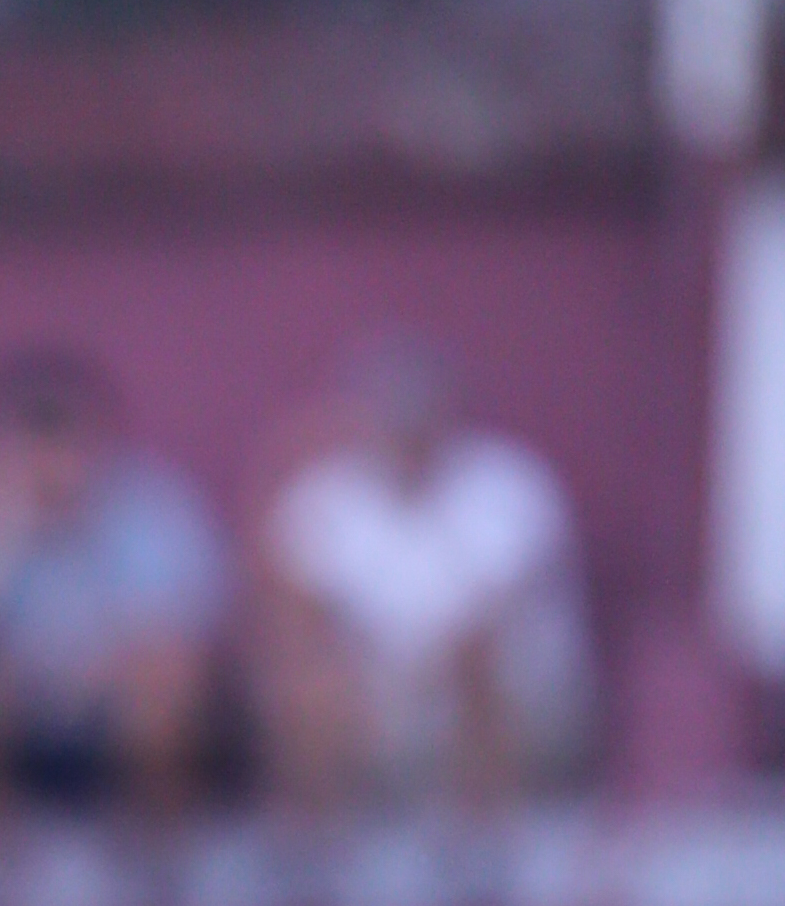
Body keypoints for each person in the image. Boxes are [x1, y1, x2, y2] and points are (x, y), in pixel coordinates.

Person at [0, 347, 230, 814]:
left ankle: (159, 858)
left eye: (65, 439)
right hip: (18, 725)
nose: (50, 461)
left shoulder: (152, 514)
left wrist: (76, 682)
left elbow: (179, 650)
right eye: (32, 442)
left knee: (161, 693)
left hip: (118, 722)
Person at [254, 337, 594, 809]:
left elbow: (492, 619)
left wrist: (404, 680)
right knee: (308, 682)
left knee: (475, 663)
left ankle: (480, 839)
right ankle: (316, 852)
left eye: (417, 417)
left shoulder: (509, 487)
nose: (405, 434)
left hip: (510, 697)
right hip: (371, 694)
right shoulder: (325, 493)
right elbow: (295, 611)